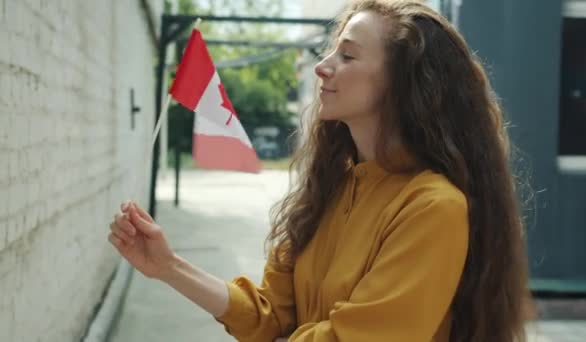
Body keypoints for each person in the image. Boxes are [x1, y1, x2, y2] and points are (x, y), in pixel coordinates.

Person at [108, 1, 531, 341]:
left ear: (404, 83)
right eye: (332, 51)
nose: (322, 66)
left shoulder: (433, 207)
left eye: (347, 55)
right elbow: (269, 315)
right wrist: (168, 267)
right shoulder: (332, 188)